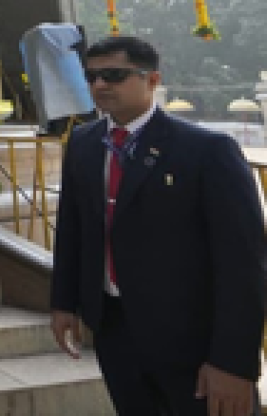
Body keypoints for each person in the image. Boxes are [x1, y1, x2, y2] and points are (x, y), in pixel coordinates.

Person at [50, 36, 267, 416]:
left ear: (152, 80)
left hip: (192, 337)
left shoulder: (206, 150)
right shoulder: (84, 144)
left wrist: (234, 362)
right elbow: (73, 228)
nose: (100, 85)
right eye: (92, 76)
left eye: (114, 75)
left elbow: (244, 263)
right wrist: (64, 301)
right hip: (116, 328)